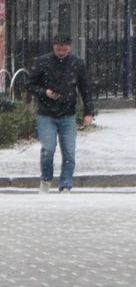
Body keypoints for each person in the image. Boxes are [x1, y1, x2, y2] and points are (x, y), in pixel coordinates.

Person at [27, 32, 94, 192]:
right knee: (48, 149)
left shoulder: (77, 63)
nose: (61, 53)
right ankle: (46, 179)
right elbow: (29, 83)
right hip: (46, 113)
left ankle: (65, 185)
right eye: (58, 50)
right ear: (54, 47)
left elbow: (85, 88)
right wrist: (45, 92)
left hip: (68, 114)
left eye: (64, 50)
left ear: (69, 47)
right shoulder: (43, 62)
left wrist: (88, 112)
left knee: (69, 152)